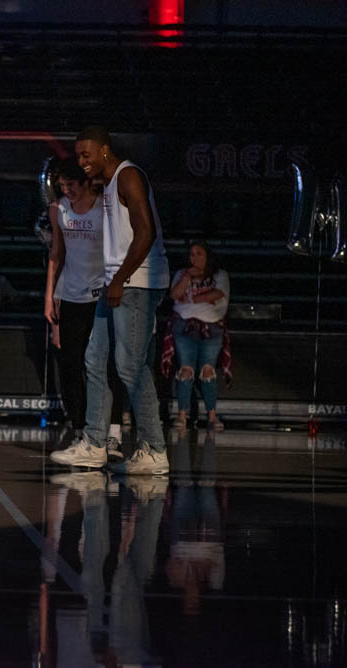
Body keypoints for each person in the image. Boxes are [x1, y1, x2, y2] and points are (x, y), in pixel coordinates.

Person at [52, 125, 171, 475]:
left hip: (136, 282)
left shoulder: (128, 175)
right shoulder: (107, 183)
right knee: (94, 358)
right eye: (78, 156)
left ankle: (155, 449)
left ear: (104, 150)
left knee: (130, 366)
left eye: (87, 155)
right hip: (117, 280)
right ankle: (93, 444)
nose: (82, 162)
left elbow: (146, 232)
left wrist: (119, 278)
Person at [44, 158, 126, 453]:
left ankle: (113, 430)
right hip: (70, 295)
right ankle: (79, 430)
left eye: (72, 184)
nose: (67, 190)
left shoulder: (104, 208)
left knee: (106, 364)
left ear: (85, 182)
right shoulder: (59, 209)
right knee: (70, 363)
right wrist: (49, 296)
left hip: (101, 295)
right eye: (62, 185)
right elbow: (57, 253)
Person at [162, 240, 231, 432]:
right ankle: (182, 415)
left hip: (211, 328)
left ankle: (211, 415)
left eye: (199, 253)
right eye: (192, 254)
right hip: (185, 326)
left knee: (207, 370)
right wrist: (186, 278)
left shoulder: (219, 275)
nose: (194, 258)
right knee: (186, 370)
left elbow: (217, 294)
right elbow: (175, 295)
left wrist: (192, 299)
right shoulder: (181, 273)